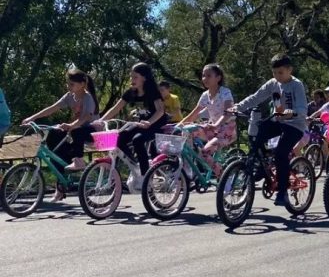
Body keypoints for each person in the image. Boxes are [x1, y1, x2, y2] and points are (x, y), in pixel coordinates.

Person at [233, 54, 308, 207]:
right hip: (278, 121)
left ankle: (282, 192)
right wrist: (237, 107)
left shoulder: (296, 85)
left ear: (289, 70)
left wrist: (291, 112)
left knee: (281, 153)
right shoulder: (273, 83)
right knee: (258, 134)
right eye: (274, 73)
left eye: (280, 72)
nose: (277, 76)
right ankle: (262, 166)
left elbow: (302, 109)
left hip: (295, 124)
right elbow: (256, 97)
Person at [21, 69, 99, 201]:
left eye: (71, 84)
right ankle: (61, 186)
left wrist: (71, 126)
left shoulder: (88, 97)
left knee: (75, 131)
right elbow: (52, 108)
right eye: (67, 84)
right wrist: (32, 118)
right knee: (54, 141)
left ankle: (79, 161)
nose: (68, 87)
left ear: (82, 84)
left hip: (91, 131)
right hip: (76, 131)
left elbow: (86, 117)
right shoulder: (69, 96)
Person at [95, 63, 167, 191]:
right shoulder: (130, 93)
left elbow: (160, 110)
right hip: (140, 123)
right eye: (131, 77)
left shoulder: (152, 91)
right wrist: (101, 120)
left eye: (135, 77)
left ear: (144, 78)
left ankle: (146, 176)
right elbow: (116, 108)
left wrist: (149, 122)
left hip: (155, 124)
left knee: (138, 139)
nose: (132, 80)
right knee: (117, 139)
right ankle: (135, 164)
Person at [177, 64, 236, 177]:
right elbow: (193, 114)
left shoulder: (225, 92)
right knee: (186, 133)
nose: (204, 79)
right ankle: (187, 168)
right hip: (213, 129)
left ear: (218, 78)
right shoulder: (205, 95)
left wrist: (216, 124)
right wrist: (178, 125)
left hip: (227, 130)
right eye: (203, 75)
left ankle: (225, 177)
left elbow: (229, 112)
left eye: (208, 76)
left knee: (204, 153)